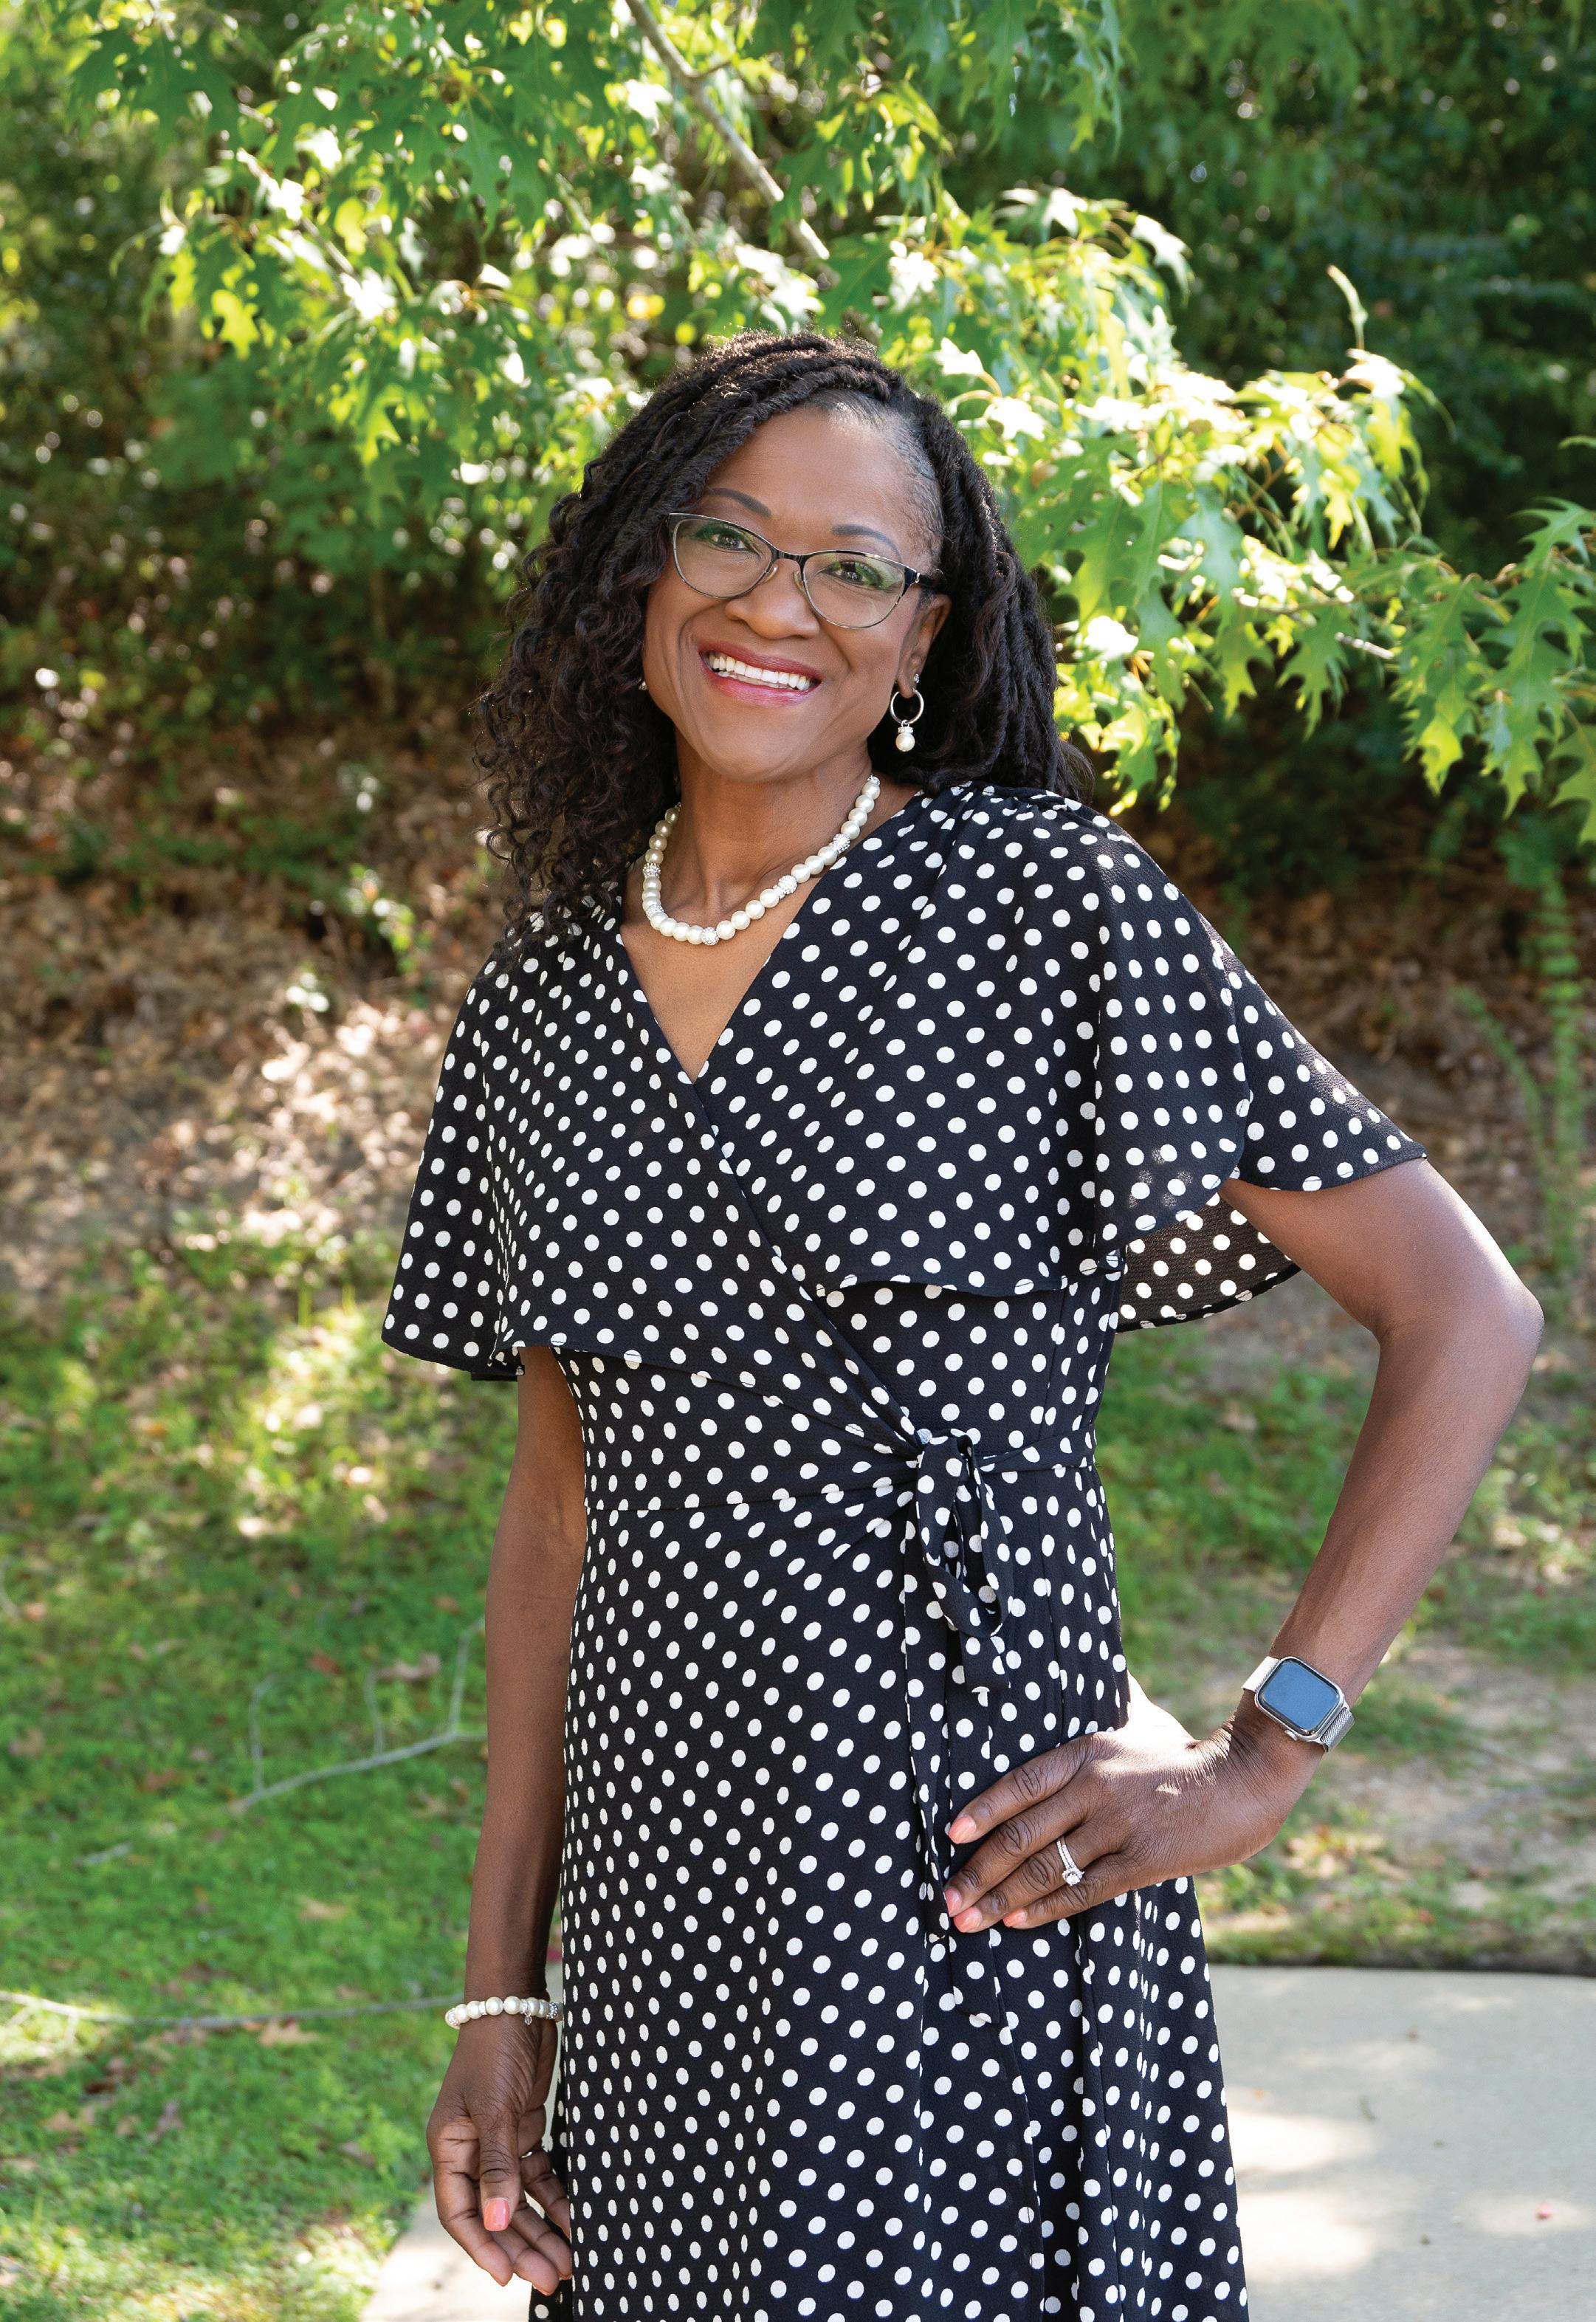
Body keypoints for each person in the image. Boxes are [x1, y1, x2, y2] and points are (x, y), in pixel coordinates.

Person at [380, 330, 1541, 2321]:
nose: (779, 602)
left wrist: (1266, 1749)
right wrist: (504, 1989)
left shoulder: (1039, 907)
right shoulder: (541, 1001)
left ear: (923, 636)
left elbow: (1463, 1309)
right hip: (660, 1926)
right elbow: (555, 1517)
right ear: (640, 572)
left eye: (856, 567)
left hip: (972, 1890)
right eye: (729, 537)